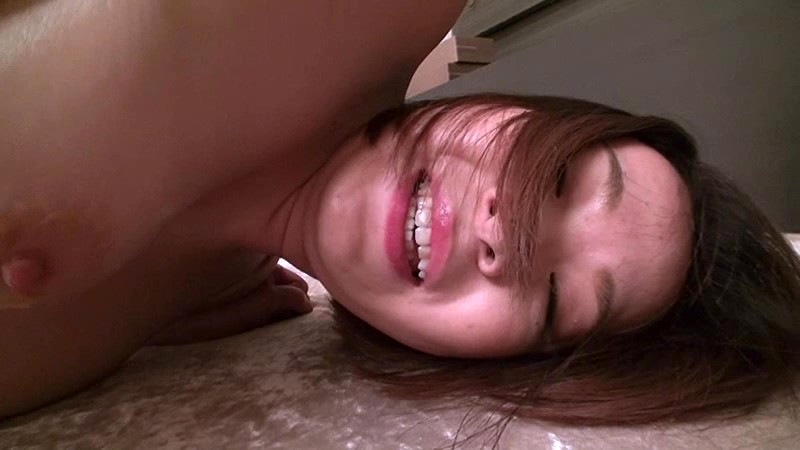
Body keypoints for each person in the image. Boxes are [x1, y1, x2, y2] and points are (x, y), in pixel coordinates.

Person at [0, 0, 797, 429]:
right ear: (520, 107)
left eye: (555, 298)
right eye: (557, 176)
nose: (506, 238)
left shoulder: (201, 306)